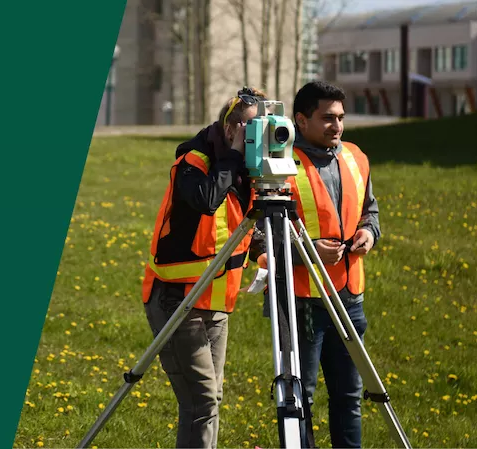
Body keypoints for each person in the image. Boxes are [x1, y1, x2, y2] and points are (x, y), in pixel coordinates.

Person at [250, 80, 380, 448]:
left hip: (349, 297)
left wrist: (368, 234)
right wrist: (307, 252)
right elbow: (255, 236)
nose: (336, 126)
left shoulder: (356, 157)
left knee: (349, 399)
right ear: (301, 120)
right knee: (298, 400)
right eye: (327, 118)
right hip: (300, 300)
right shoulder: (279, 165)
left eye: (340, 117)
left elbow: (370, 212)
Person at [141, 87, 266, 449]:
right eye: (247, 128)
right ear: (230, 128)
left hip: (215, 302)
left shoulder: (245, 172)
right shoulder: (192, 163)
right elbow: (208, 200)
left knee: (209, 401)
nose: (252, 136)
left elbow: (240, 222)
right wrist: (233, 156)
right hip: (177, 300)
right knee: (202, 401)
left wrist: (264, 249)